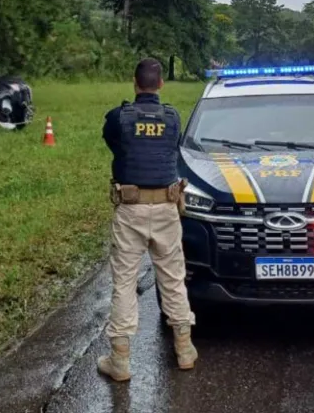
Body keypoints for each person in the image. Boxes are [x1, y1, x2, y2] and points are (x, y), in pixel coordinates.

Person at [97, 57, 197, 382]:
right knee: (172, 279)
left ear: (134, 82)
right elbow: (172, 147)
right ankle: (184, 349)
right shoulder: (172, 118)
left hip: (131, 208)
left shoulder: (119, 118)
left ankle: (120, 360)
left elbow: (114, 143)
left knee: (124, 283)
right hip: (167, 208)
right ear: (161, 85)